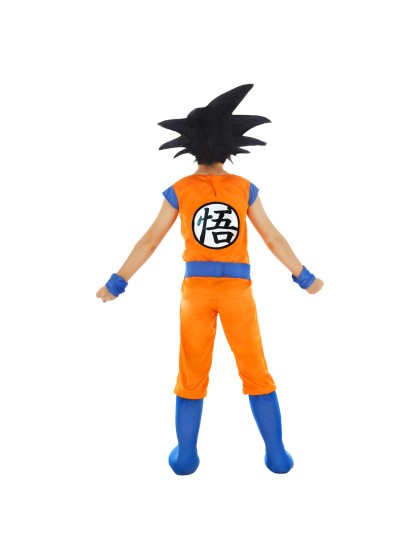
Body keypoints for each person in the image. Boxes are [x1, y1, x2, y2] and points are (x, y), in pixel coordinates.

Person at [96, 84, 324, 475]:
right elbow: (272, 237)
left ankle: (186, 456)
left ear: (192, 144)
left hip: (196, 293)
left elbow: (150, 240)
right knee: (255, 368)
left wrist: (117, 283)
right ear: (231, 144)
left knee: (191, 371)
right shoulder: (244, 188)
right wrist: (304, 277)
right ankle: (276, 454)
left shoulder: (180, 190)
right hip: (238, 292)